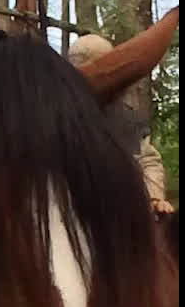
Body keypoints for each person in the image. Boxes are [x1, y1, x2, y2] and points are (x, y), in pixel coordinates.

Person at [67, 33, 176, 215]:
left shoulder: (124, 118)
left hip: (121, 213)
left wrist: (154, 198)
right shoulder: (54, 114)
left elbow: (148, 161)